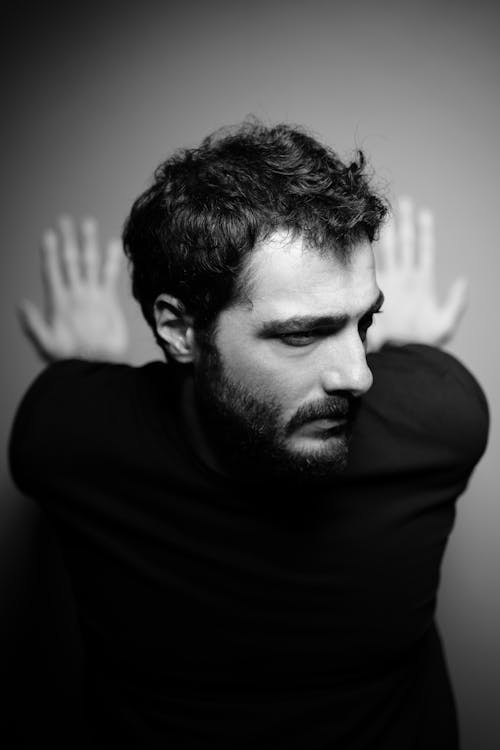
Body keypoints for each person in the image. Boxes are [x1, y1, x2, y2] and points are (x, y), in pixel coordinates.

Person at [9, 122, 489, 749]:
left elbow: (82, 416)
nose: (361, 375)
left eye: (365, 321)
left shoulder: (70, 432)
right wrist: (416, 349)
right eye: (301, 334)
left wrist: (87, 371)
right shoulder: (74, 440)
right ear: (179, 329)